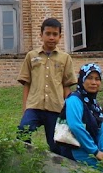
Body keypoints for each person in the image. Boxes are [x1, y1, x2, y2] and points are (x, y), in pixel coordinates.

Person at [16, 18, 76, 152]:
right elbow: (26, 83)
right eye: (48, 33)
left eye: (55, 34)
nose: (51, 37)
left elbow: (67, 86)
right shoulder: (31, 56)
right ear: (41, 35)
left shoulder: (65, 58)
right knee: (23, 131)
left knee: (56, 145)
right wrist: (25, 108)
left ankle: (56, 169)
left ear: (60, 36)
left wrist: (68, 110)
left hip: (56, 107)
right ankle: (27, 159)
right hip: (34, 106)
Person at [57, 63, 103, 167]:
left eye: (97, 79)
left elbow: (101, 129)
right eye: (89, 78)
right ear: (82, 79)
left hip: (93, 152)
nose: (94, 82)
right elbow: (75, 126)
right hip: (75, 151)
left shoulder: (95, 105)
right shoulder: (74, 99)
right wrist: (95, 151)